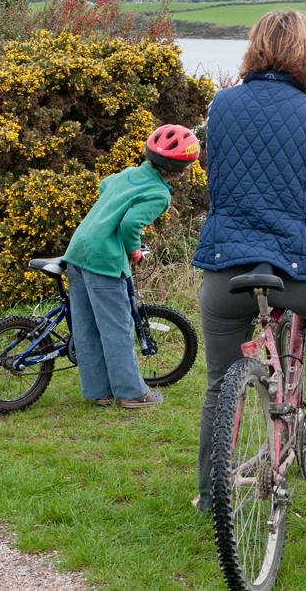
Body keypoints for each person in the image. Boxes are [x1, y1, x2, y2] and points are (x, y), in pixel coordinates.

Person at [193, 10, 306, 513]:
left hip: (226, 268)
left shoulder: (219, 108)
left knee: (217, 385)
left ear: (253, 49)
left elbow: (216, 171)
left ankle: (211, 495)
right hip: (297, 272)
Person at [63, 124, 201, 409]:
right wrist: (134, 249)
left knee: (86, 326)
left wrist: (114, 206)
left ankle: (99, 391)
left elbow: (104, 185)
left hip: (78, 251)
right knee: (117, 327)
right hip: (104, 260)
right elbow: (130, 225)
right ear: (182, 169)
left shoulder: (129, 173)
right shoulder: (158, 194)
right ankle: (131, 393)